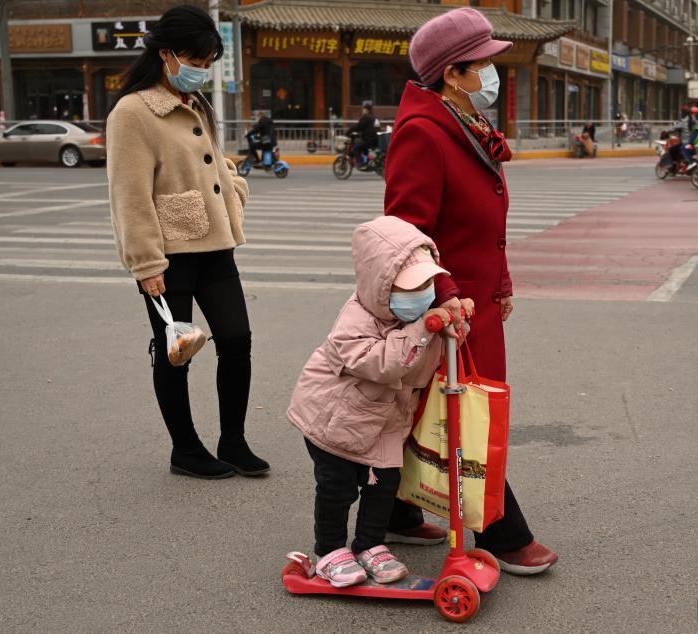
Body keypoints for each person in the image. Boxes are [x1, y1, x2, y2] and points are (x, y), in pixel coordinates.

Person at [382, 7, 558, 575]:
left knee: (431, 407)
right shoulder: (423, 135)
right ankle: (504, 532)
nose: (492, 72)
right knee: (470, 412)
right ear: (454, 74)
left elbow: (484, 219)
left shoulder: (464, 124)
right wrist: (447, 294)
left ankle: (396, 511)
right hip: (451, 306)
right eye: (484, 62)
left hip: (478, 300)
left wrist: (501, 283)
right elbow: (406, 236)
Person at [106, 5, 269, 479]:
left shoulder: (196, 102)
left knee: (236, 339)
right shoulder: (133, 112)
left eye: (207, 60)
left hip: (216, 246)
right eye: (195, 58)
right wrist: (145, 263)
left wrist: (233, 191)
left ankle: (233, 441)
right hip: (168, 254)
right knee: (176, 351)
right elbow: (129, 194)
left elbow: (212, 161)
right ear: (166, 55)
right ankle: (186, 449)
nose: (201, 68)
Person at [286, 216, 457, 587]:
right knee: (338, 488)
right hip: (335, 421)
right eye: (411, 287)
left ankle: (370, 544)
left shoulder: (418, 317)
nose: (424, 293)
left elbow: (429, 356)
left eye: (429, 284)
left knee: (384, 485)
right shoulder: (356, 318)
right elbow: (383, 363)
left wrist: (453, 324)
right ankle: (329, 549)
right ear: (380, 286)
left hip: (385, 419)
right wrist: (422, 328)